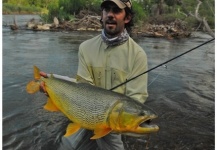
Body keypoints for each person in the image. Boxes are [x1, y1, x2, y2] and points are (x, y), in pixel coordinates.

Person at [40, 0, 148, 149]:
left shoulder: (138, 55)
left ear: (127, 18)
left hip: (114, 122)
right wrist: (54, 84)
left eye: (116, 11)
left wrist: (116, 122)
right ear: (102, 16)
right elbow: (83, 86)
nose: (110, 14)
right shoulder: (85, 48)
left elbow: (136, 99)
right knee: (67, 146)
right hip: (83, 112)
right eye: (106, 10)